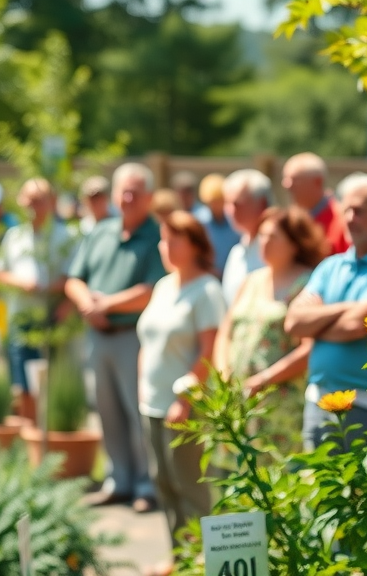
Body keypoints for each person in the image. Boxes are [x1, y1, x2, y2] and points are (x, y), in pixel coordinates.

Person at [284, 173, 367, 451]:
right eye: (346, 209)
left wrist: (317, 326)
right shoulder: (329, 266)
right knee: (322, 492)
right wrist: (347, 309)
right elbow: (294, 322)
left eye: (360, 211)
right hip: (320, 402)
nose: (350, 217)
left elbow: (357, 324)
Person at [65, 162, 162, 512]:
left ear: (149, 197)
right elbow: (73, 279)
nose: (127, 198)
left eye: (136, 192)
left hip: (133, 336)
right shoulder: (100, 232)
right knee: (105, 410)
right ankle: (118, 479)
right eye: (123, 190)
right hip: (98, 336)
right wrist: (87, 303)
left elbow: (152, 288)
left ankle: (145, 484)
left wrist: (105, 304)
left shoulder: (156, 236)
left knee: (137, 412)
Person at [137, 210, 224, 575]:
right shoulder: (163, 285)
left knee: (190, 487)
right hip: (151, 403)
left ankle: (203, 561)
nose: (165, 246)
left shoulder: (207, 290)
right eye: (162, 238)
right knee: (164, 484)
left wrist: (185, 398)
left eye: (174, 239)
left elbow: (209, 351)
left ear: (195, 244)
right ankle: (180, 558)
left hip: (183, 408)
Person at [213, 206, 326, 456]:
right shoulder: (251, 280)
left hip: (279, 403)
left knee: (279, 478)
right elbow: (225, 331)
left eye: (272, 237)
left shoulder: (307, 285)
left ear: (295, 244)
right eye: (261, 236)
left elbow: (309, 349)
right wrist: (223, 373)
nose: (263, 243)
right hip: (239, 397)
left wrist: (263, 380)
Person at [0, 178, 78, 423]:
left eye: (39, 200)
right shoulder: (15, 236)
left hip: (53, 318)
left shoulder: (66, 236)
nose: (33, 205)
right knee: (23, 384)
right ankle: (31, 436)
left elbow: (75, 276)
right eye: (28, 199)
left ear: (51, 203)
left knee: (54, 381)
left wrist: (54, 291)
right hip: (22, 317)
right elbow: (0, 272)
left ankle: (51, 432)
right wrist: (21, 282)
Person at [282, 152, 351, 255]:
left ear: (318, 182)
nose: (287, 186)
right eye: (285, 179)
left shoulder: (342, 223)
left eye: (295, 180)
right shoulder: (287, 222)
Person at [221, 169, 273, 305]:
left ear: (262, 204)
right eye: (228, 203)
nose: (231, 211)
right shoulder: (236, 252)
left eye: (238, 204)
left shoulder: (277, 249)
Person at [196, 173, 240, 278]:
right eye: (213, 201)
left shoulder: (234, 220)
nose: (216, 205)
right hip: (206, 276)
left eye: (220, 201)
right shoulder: (200, 222)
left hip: (232, 274)